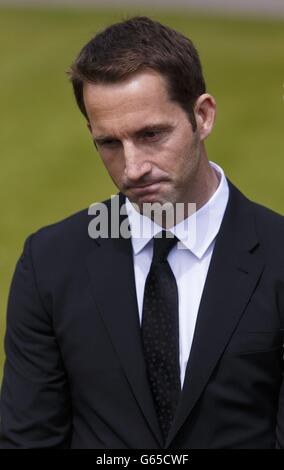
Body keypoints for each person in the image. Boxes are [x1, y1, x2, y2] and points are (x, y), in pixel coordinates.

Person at [0, 16, 283, 450]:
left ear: (202, 116)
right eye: (109, 143)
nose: (133, 168)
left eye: (152, 134)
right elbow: (29, 440)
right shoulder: (50, 263)